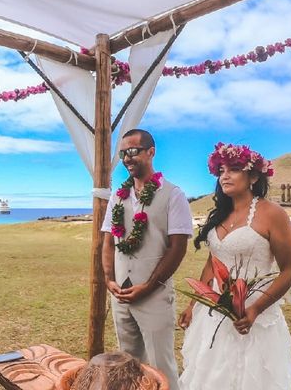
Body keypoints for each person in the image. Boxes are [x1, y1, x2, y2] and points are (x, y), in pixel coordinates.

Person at [178, 142, 291, 390]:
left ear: (253, 175)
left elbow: (290, 270)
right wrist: (193, 304)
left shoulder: (273, 214)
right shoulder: (220, 214)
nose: (225, 175)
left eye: (233, 169)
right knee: (213, 374)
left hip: (256, 311)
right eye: (221, 170)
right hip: (216, 311)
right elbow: (213, 262)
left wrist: (255, 309)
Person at [101, 129, 193, 390]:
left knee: (160, 365)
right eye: (123, 153)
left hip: (154, 295)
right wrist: (109, 279)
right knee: (128, 362)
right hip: (121, 294)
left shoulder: (173, 195)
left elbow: (177, 248)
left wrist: (149, 286)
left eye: (133, 151)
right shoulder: (118, 197)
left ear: (151, 152)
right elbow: (108, 241)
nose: (127, 158)